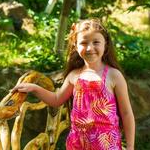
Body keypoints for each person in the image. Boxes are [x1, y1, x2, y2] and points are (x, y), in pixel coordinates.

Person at [11, 18, 135, 149]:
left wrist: (131, 147)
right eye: (84, 43)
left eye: (96, 42)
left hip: (106, 144)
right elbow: (56, 99)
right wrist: (34, 88)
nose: (89, 48)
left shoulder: (114, 75)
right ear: (76, 45)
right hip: (78, 144)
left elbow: (126, 113)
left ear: (106, 45)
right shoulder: (74, 75)